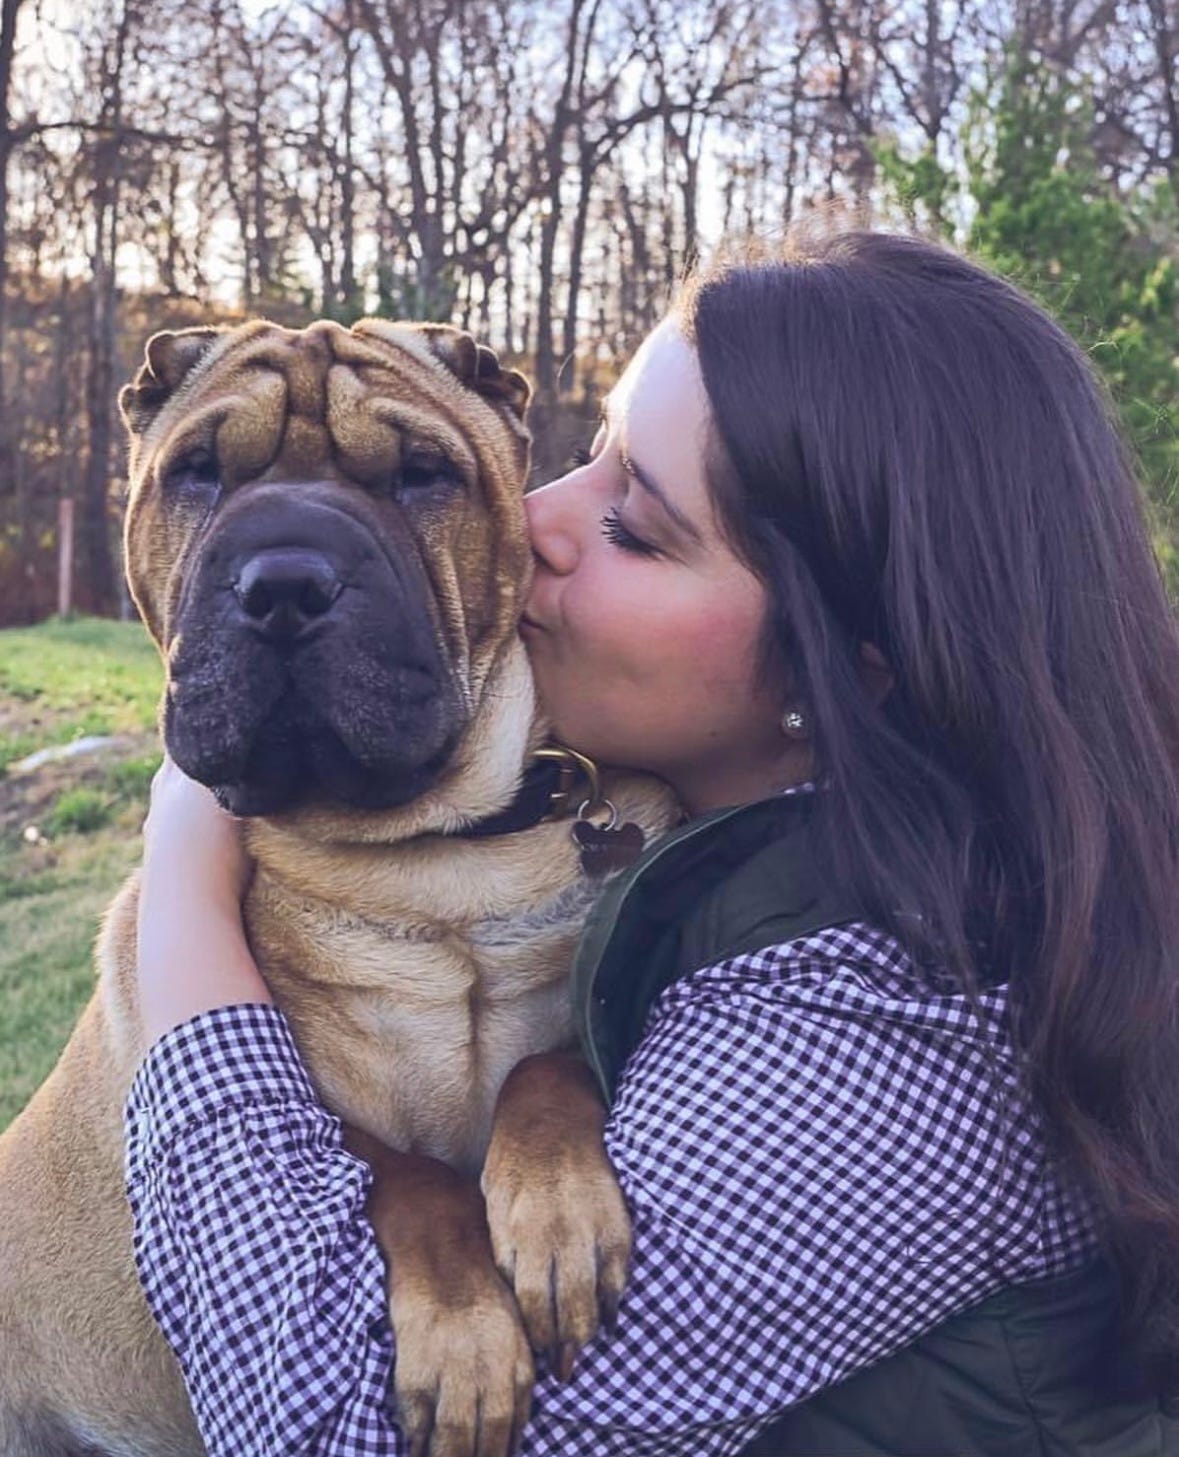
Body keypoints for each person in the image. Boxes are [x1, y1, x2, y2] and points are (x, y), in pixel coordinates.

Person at [126, 230, 1179, 1456]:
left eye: (635, 523)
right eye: (587, 456)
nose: (527, 525)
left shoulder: (900, 1024)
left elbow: (334, 1431)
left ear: (860, 660)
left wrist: (185, 882)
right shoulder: (750, 856)